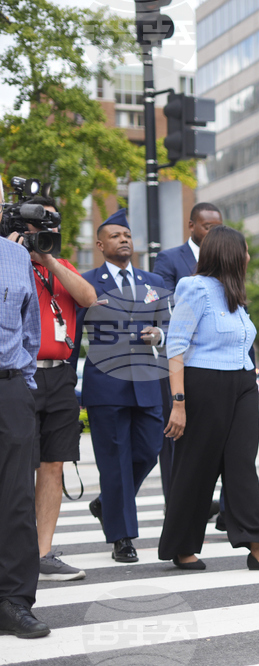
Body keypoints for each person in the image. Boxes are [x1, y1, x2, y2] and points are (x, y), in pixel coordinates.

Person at [158, 225, 259, 571]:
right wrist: (178, 402)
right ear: (230, 255)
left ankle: (257, 545)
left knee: (241, 464)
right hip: (204, 384)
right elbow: (175, 347)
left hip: (243, 384)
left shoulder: (235, 293)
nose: (248, 257)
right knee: (197, 466)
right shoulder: (195, 288)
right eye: (245, 251)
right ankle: (182, 545)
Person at [6, 196, 96, 582]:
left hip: (59, 375)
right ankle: (16, 551)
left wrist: (49, 261)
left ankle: (43, 552)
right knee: (16, 466)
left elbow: (88, 298)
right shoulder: (9, 260)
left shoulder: (58, 265)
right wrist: (17, 251)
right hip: (20, 373)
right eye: (39, 225)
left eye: (52, 225)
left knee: (54, 463)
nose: (47, 232)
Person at [76, 210, 167, 563]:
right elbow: (72, 338)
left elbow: (170, 327)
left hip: (147, 383)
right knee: (114, 462)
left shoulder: (153, 280)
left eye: (127, 234)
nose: (124, 240)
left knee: (148, 450)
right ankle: (123, 538)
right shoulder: (87, 282)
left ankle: (107, 503)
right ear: (100, 245)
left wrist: (159, 334)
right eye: (115, 236)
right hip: (106, 386)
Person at [152, 202, 223, 509]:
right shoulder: (170, 259)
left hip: (214, 362)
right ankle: (177, 505)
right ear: (192, 226)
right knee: (176, 438)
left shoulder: (226, 259)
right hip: (181, 360)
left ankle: (206, 500)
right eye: (208, 226)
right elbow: (163, 306)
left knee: (210, 438)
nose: (213, 232)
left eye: (218, 226)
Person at [0, 236, 50, 638]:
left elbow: (30, 325)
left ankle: (14, 602)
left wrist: (25, 383)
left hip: (10, 387)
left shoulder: (16, 255)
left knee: (16, 498)